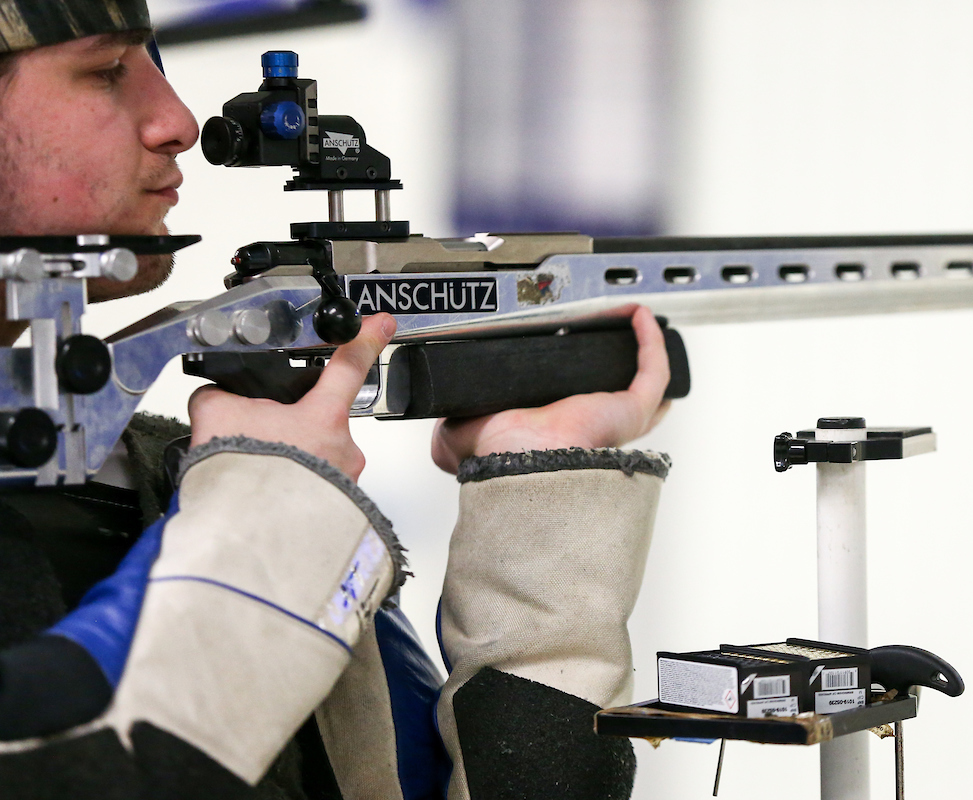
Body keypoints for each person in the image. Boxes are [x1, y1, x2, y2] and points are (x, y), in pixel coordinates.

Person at [0, 3, 672, 799]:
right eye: (106, 70)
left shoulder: (169, 478)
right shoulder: (250, 497)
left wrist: (540, 515)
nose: (177, 120)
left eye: (156, 63)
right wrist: (272, 505)